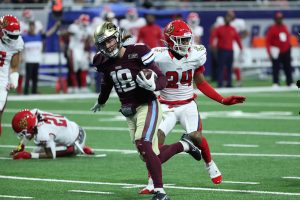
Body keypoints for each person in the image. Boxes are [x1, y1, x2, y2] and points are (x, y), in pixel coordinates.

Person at [91, 21, 202, 200]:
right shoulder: (101, 61)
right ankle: (185, 145)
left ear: (118, 37)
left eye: (111, 40)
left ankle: (160, 192)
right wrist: (101, 100)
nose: (108, 45)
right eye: (104, 43)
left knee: (144, 143)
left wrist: (153, 85)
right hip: (129, 111)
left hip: (147, 104)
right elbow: (107, 81)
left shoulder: (138, 52)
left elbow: (162, 79)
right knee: (150, 155)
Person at [139, 20, 246, 194]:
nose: (186, 43)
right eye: (181, 40)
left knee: (196, 136)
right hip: (166, 106)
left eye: (187, 39)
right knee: (154, 145)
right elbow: (144, 73)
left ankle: (210, 164)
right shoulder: (158, 56)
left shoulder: (196, 54)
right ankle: (152, 180)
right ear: (170, 40)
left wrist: (222, 100)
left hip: (187, 104)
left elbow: (201, 83)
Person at [10, 108, 94, 159]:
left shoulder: (42, 133)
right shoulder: (34, 112)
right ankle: (81, 146)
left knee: (37, 151)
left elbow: (51, 155)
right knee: (52, 138)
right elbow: (31, 130)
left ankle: (79, 149)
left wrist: (29, 155)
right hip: (76, 128)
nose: (24, 134)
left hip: (75, 143)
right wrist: (20, 147)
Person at [0, 15, 24, 136]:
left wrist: (13, 81)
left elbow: (14, 66)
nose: (13, 39)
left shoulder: (17, 42)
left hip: (1, 81)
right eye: (10, 35)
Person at [22, 20, 61, 95]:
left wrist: (56, 26)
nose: (32, 28)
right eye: (30, 27)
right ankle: (26, 91)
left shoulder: (39, 36)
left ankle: (34, 90)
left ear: (35, 28)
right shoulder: (25, 37)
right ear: (29, 28)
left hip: (36, 60)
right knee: (28, 77)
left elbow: (49, 33)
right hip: (29, 60)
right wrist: (21, 56)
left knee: (35, 77)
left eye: (33, 27)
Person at [213, 10, 249, 87]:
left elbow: (240, 36)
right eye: (228, 16)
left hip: (231, 48)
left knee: (231, 66)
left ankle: (230, 82)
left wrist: (240, 46)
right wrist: (214, 45)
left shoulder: (234, 27)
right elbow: (213, 34)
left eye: (231, 15)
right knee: (221, 67)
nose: (229, 18)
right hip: (222, 49)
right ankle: (221, 83)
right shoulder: (220, 27)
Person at [265, 11, 293, 87]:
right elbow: (268, 42)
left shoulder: (285, 27)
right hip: (276, 51)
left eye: (281, 18)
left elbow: (287, 40)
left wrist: (289, 51)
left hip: (286, 50)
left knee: (288, 67)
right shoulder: (272, 29)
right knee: (276, 68)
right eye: (278, 18)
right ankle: (276, 82)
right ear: (275, 19)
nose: (279, 20)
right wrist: (269, 52)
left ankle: (289, 82)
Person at [67, 14, 93, 93]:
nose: (85, 25)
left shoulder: (88, 28)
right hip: (74, 49)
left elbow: (89, 40)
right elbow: (68, 33)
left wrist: (88, 51)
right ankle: (74, 87)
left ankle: (83, 87)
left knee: (84, 68)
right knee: (74, 69)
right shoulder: (74, 27)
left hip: (82, 50)